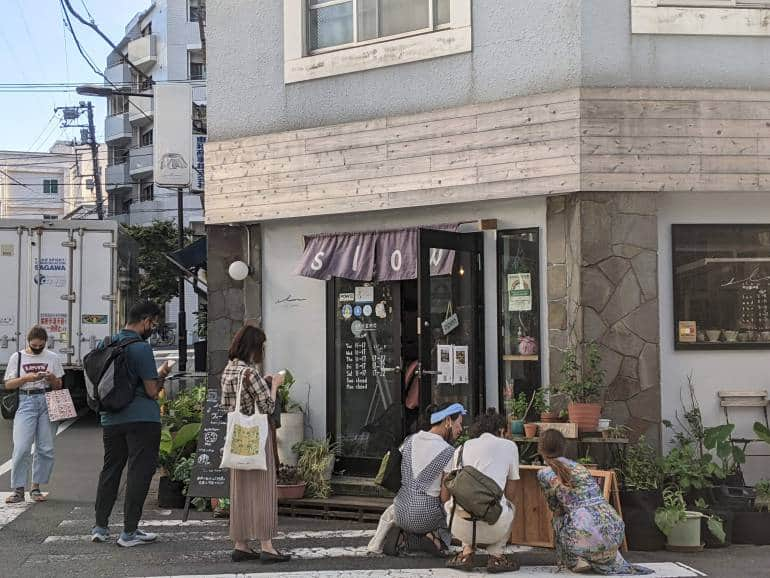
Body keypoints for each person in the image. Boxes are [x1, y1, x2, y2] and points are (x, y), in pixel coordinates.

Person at [91, 302, 173, 547]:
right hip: (142, 420)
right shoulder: (140, 348)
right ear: (145, 320)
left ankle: (100, 527)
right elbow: (151, 391)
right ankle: (129, 532)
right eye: (154, 324)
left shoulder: (105, 344)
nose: (153, 328)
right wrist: (163, 374)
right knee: (139, 471)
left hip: (110, 418)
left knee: (111, 470)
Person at [536, 429, 653, 575]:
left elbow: (554, 506)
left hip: (587, 532)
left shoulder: (544, 473)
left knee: (558, 519)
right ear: (563, 447)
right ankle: (601, 556)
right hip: (614, 527)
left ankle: (576, 559)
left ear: (540, 449)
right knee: (583, 522)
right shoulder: (580, 468)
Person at [220, 324, 289, 564]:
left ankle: (240, 544)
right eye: (261, 346)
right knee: (263, 489)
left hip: (238, 437)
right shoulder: (250, 373)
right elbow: (268, 407)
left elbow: (229, 403)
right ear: (254, 347)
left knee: (240, 490)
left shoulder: (229, 370)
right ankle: (267, 546)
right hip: (257, 438)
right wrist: (275, 385)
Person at [382, 402, 466, 556]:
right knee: (447, 511)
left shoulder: (409, 440)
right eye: (459, 424)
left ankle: (405, 534)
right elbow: (444, 497)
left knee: (417, 510)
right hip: (425, 514)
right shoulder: (449, 452)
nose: (460, 429)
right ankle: (432, 538)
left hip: (400, 509)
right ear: (448, 421)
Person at [443, 409, 521, 573]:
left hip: (459, 527)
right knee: (510, 506)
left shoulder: (461, 449)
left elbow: (449, 487)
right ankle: (497, 556)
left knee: (461, 501)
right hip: (495, 527)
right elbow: (512, 490)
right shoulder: (509, 446)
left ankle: (466, 552)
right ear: (500, 430)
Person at [3, 326, 65, 504]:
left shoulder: (52, 357)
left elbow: (58, 385)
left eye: (41, 345)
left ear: (46, 343)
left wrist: (51, 377)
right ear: (28, 342)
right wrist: (27, 379)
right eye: (34, 345)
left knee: (45, 448)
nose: (38, 348)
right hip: (26, 401)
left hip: (47, 400)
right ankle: (18, 489)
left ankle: (36, 487)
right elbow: (8, 385)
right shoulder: (18, 357)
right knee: (21, 447)